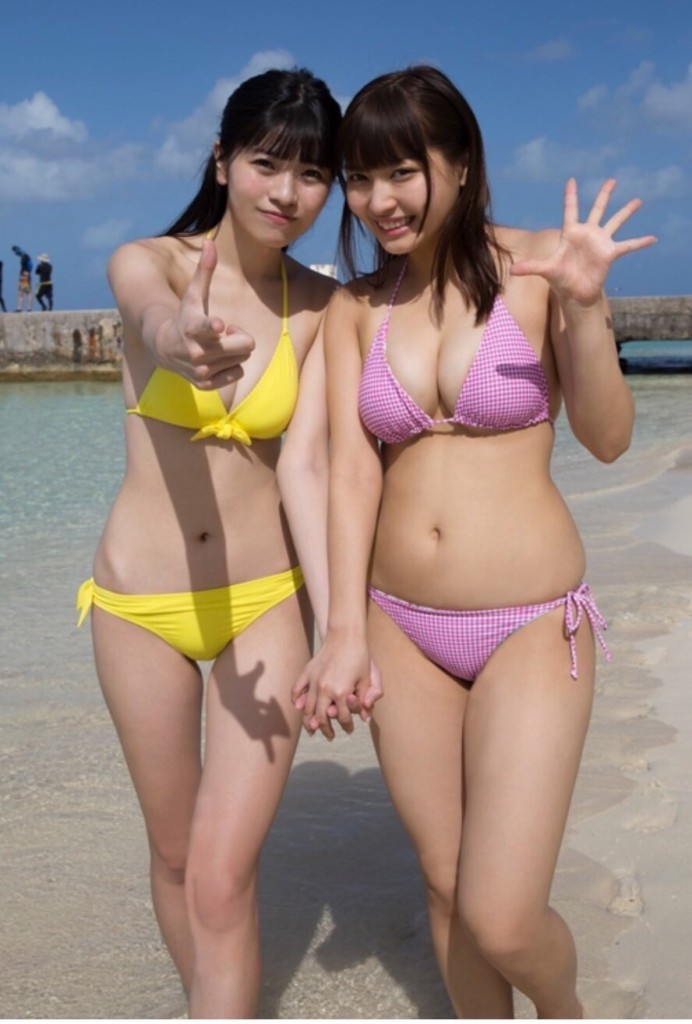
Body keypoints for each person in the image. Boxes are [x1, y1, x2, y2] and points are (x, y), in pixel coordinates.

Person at [293, 65, 655, 1019]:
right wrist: (342, 631)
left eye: (401, 172)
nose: (378, 201)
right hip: (399, 625)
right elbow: (351, 474)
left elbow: (609, 439)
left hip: (531, 622)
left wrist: (586, 308)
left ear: (459, 163)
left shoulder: (541, 268)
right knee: (449, 889)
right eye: (359, 179)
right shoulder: (355, 307)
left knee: (503, 916)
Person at [76, 67, 341, 1018]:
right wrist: (178, 339)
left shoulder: (322, 307)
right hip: (138, 606)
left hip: (265, 603)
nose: (287, 193)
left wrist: (340, 626)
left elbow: (312, 471)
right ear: (222, 161)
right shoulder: (147, 263)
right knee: (176, 854)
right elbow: (152, 318)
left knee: (223, 876)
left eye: (313, 174)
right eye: (267, 163)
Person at [12, 245, 33, 311]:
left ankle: (20, 308)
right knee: (26, 292)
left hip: (24, 276)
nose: (15, 253)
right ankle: (28, 308)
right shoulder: (25, 256)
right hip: (25, 276)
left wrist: (27, 272)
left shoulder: (25, 256)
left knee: (22, 292)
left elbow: (31, 265)